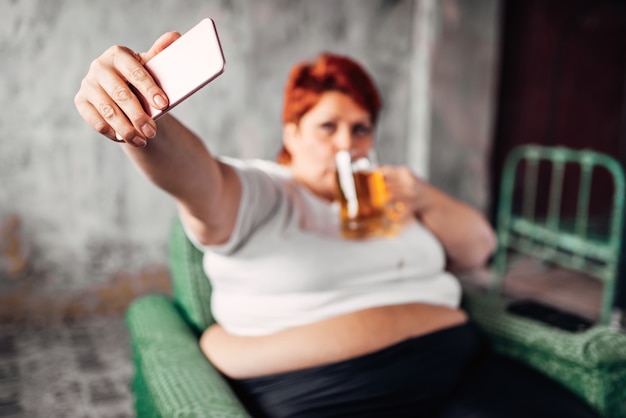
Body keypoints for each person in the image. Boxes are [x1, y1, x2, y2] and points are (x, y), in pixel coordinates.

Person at [74, 30, 599, 418]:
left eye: (361, 129)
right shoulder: (265, 189)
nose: (348, 144)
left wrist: (419, 194)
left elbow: (477, 248)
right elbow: (198, 182)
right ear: (292, 133)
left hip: (459, 372)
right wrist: (146, 123)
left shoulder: (390, 195)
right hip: (330, 393)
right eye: (328, 127)